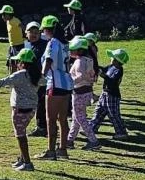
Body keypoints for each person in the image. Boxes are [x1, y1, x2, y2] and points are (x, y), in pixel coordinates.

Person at [0, 48, 41, 171]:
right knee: (22, 132)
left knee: (20, 136)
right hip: (31, 109)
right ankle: (22, 159)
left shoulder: (20, 75)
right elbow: (45, 81)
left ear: (22, 62)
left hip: (20, 110)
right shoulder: (36, 74)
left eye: (18, 61)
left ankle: (28, 163)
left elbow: (2, 82)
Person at [39, 15, 72, 160]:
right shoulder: (65, 43)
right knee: (63, 119)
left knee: (50, 119)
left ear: (48, 29)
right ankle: (63, 149)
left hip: (54, 83)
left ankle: (51, 150)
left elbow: (48, 60)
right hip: (66, 83)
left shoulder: (52, 42)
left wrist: (41, 76)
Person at [89, 49, 130, 141]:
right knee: (98, 112)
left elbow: (111, 80)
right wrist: (95, 66)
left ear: (117, 60)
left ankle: (122, 132)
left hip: (112, 95)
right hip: (105, 94)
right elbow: (103, 69)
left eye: (113, 57)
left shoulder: (119, 70)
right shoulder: (111, 67)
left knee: (114, 115)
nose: (111, 58)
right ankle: (91, 128)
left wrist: (101, 74)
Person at [66, 37, 97, 149]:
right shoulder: (87, 60)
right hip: (86, 91)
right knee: (76, 117)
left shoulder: (79, 62)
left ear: (79, 50)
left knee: (80, 118)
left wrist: (69, 82)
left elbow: (80, 76)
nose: (70, 51)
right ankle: (69, 141)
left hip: (79, 92)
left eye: (72, 49)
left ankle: (93, 141)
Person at [23, 21, 48, 138]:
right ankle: (43, 126)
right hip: (37, 80)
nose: (34, 34)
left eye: (36, 32)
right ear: (26, 33)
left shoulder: (43, 45)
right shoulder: (29, 45)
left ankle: (42, 127)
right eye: (31, 32)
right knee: (40, 104)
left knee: (41, 104)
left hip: (44, 80)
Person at [0, 5, 25, 70]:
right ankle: (12, 77)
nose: (2, 16)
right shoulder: (8, 22)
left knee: (19, 63)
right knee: (11, 63)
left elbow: (23, 27)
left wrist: (26, 34)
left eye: (3, 14)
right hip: (12, 45)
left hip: (18, 45)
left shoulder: (15, 20)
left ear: (8, 14)